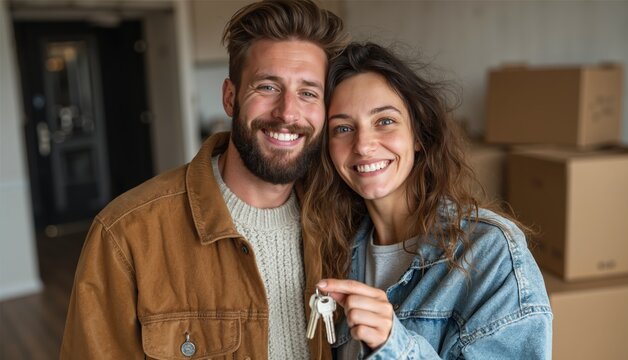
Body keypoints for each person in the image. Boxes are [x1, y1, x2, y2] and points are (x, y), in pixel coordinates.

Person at [60, 1, 347, 358]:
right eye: (267, 87)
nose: (287, 112)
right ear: (230, 97)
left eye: (308, 93)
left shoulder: (339, 221)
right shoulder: (127, 234)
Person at [302, 42, 552, 359]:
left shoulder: (490, 252)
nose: (363, 145)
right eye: (343, 128)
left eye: (385, 121)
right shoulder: (331, 246)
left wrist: (394, 345)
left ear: (419, 135)